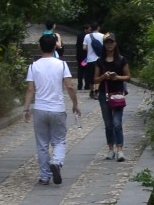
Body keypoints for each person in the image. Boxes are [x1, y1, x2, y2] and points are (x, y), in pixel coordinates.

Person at [23, 30, 80, 185]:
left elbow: (30, 89)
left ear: (40, 47)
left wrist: (26, 109)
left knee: (42, 143)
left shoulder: (33, 66)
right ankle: (56, 161)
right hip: (57, 108)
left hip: (40, 108)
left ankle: (44, 176)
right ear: (55, 47)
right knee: (59, 140)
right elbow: (69, 86)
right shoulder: (62, 64)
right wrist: (75, 104)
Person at [95, 32, 131, 160]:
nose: (109, 45)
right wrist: (104, 76)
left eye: (111, 42)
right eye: (107, 42)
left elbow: (128, 76)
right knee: (108, 124)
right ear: (104, 44)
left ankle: (120, 149)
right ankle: (110, 148)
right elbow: (95, 79)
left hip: (117, 94)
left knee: (117, 123)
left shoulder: (122, 59)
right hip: (104, 94)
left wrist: (117, 77)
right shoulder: (100, 61)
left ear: (115, 43)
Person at [81, 23, 104, 97]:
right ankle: (97, 91)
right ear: (98, 28)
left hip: (90, 60)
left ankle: (92, 90)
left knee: (91, 76)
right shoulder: (103, 36)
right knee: (99, 75)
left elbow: (84, 48)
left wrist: (90, 49)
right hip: (99, 59)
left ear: (91, 28)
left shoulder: (87, 36)